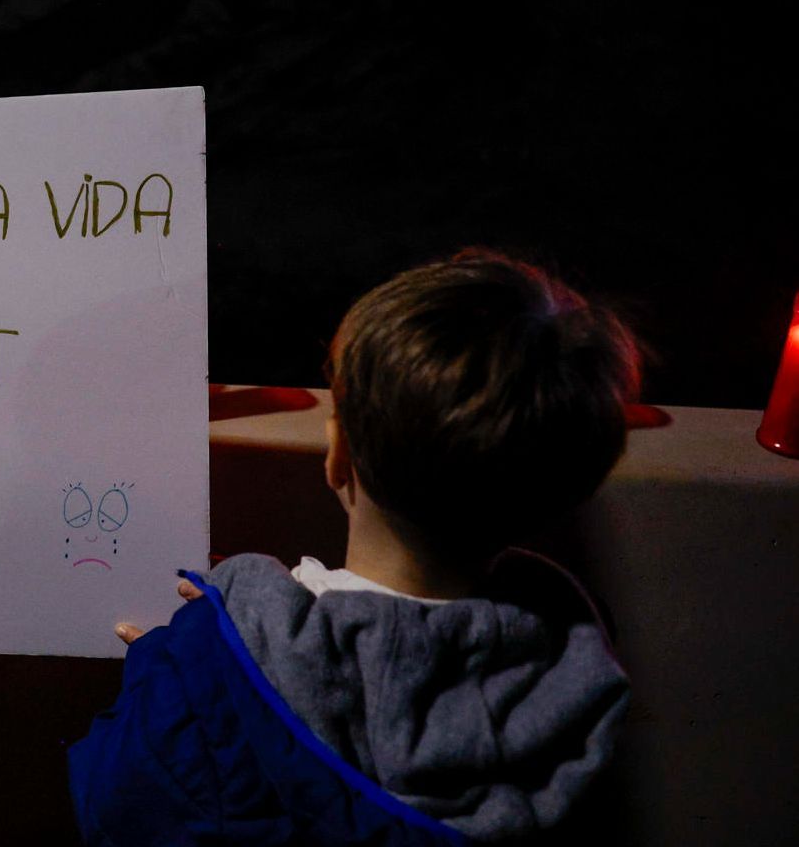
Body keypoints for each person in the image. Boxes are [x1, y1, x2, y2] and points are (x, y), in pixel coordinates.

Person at [71, 249, 638, 845]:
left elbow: (114, 808)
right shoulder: (574, 669)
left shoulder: (203, 665)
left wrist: (170, 669)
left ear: (338, 456)